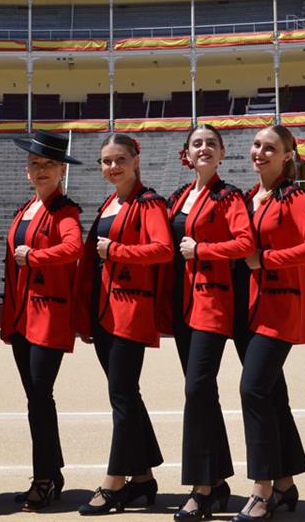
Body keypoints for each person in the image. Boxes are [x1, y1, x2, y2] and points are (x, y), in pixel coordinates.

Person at [232, 125, 305, 522]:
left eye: (270, 148)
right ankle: (286, 484)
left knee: (252, 390)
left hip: (278, 307)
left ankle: (262, 490)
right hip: (247, 307)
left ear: (287, 156)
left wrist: (267, 258)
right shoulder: (245, 198)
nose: (260, 152)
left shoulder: (294, 196)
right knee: (271, 396)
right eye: (256, 145)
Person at [75, 133, 173, 516]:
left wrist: (115, 250)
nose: (112, 167)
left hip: (130, 310)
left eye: (119, 160)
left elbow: (163, 249)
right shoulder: (110, 203)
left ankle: (115, 482)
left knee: (122, 395)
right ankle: (144, 479)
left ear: (135, 160)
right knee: (126, 395)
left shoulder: (148, 203)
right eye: (106, 161)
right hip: (104, 311)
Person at [167, 124, 254, 520]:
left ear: (222, 153)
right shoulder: (180, 198)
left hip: (214, 301)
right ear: (187, 154)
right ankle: (217, 484)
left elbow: (246, 243)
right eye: (196, 143)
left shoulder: (228, 195)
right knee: (202, 394)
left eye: (210, 144)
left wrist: (202, 248)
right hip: (183, 305)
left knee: (196, 389)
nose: (203, 148)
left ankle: (202, 487)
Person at [2, 131, 85, 511]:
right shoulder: (27, 209)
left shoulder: (65, 210)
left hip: (48, 314)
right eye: (35, 164)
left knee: (39, 396)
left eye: (49, 164)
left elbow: (73, 248)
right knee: (35, 399)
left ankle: (45, 478)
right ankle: (51, 471)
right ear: (25, 171)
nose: (41, 170)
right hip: (24, 315)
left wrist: (34, 257)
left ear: (61, 171)